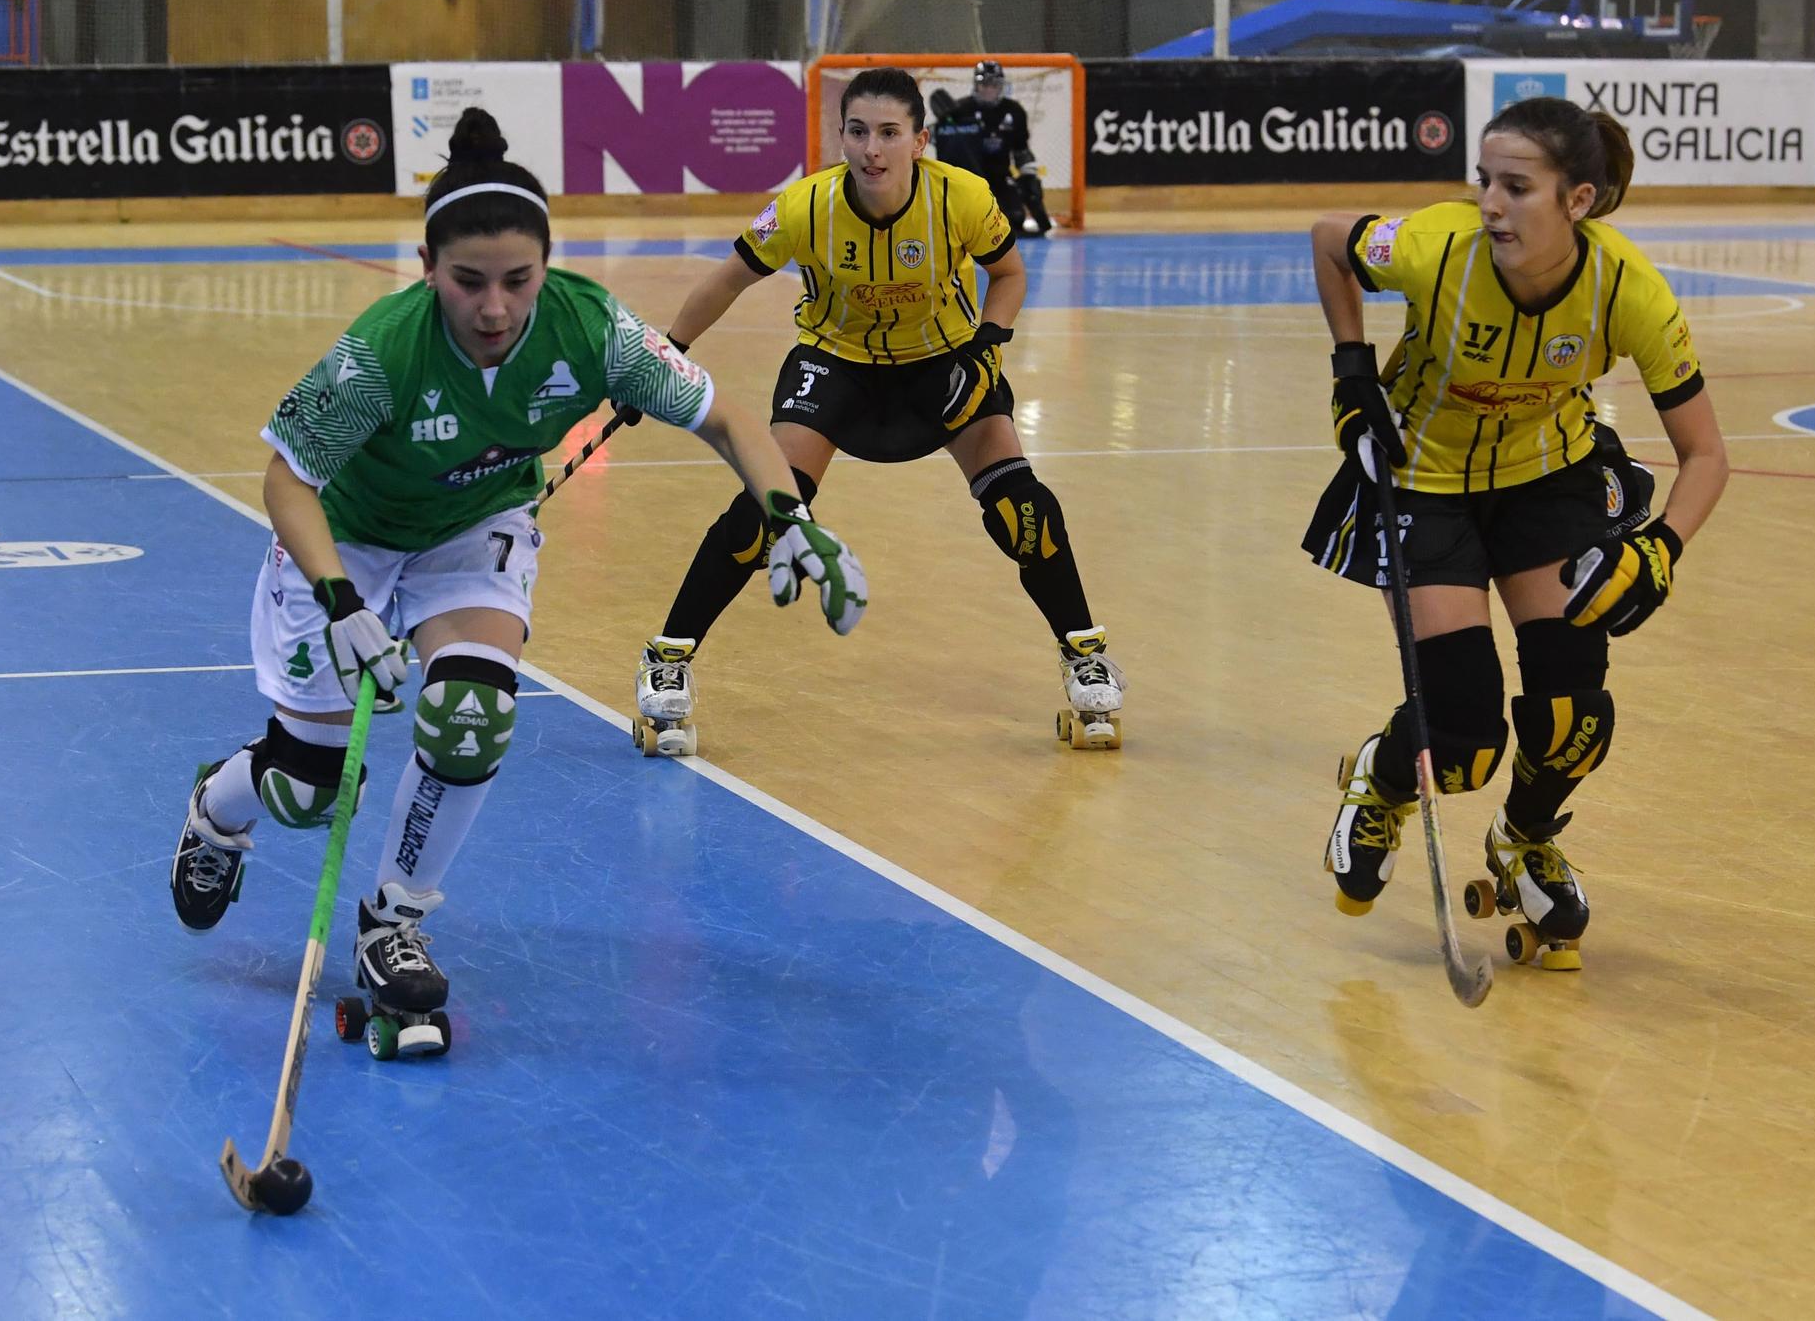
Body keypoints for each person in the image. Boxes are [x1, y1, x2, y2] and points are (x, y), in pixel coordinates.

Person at [169, 107, 865, 1045]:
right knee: (306, 789)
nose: (495, 308)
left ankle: (394, 924)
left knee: (472, 714)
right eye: (467, 283)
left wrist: (790, 515)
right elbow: (288, 479)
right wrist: (341, 602)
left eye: (517, 281)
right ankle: (218, 812)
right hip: (345, 536)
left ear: (547, 267)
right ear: (427, 270)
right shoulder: (381, 352)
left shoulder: (594, 331)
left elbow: (730, 420)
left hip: (472, 527)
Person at [1302, 96, 1728, 970]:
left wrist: (1662, 549)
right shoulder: (1437, 246)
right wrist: (1352, 370)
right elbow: (1328, 237)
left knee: (1576, 716)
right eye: (1484, 181)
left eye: (1517, 187)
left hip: (1547, 478)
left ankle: (1526, 838)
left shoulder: (1627, 287)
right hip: (1425, 481)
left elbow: (1707, 455)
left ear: (1577, 200)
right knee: (1462, 743)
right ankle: (1382, 780)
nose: (1491, 203)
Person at [633, 66, 1122, 754]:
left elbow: (1009, 274)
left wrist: (988, 349)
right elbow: (728, 279)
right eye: (858, 132)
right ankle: (668, 659)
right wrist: (667, 358)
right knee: (765, 512)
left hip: (945, 362)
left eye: (889, 133)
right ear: (840, 137)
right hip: (837, 366)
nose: (872, 149)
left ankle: (1084, 653)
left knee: (1025, 511)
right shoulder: (804, 206)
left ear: (920, 139)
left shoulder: (964, 198)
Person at [933, 60, 1052, 237]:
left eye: (994, 85)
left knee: (1014, 218)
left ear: (1001, 86)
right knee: (972, 222)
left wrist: (1029, 179)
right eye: (984, 84)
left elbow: (1021, 150)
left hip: (1000, 177)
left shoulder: (1014, 111)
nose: (989, 89)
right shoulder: (959, 110)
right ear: (976, 85)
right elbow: (937, 138)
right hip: (968, 181)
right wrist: (942, 123)